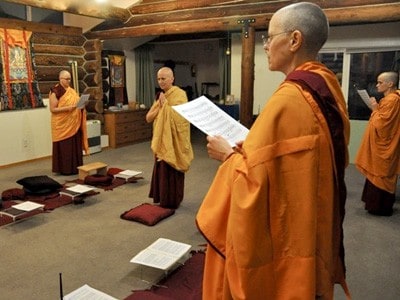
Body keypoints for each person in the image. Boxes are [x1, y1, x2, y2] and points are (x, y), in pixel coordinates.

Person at [196, 2, 351, 299]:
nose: (266, 45)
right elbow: (288, 156)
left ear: (294, 40)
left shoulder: (289, 98)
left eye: (270, 37)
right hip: (314, 211)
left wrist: (228, 154)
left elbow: (253, 179)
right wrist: (253, 146)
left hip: (290, 228)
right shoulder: (327, 84)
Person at [146, 67, 194, 209]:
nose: (161, 82)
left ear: (172, 79)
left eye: (164, 78)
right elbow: (148, 118)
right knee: (162, 170)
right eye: (159, 79)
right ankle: (162, 197)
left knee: (172, 169)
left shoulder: (180, 94)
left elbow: (181, 118)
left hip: (174, 140)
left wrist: (165, 106)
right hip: (162, 139)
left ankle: (173, 200)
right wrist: (161, 105)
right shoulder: (161, 96)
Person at [355, 71, 400, 216]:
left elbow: (382, 125)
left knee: (381, 172)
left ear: (390, 84)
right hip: (384, 142)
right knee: (378, 172)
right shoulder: (390, 100)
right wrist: (376, 109)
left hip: (385, 145)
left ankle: (380, 207)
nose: (377, 85)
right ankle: (375, 204)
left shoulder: (392, 100)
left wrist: (374, 109)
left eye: (380, 82)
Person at [49, 70, 89, 175]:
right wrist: (68, 108)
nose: (68, 81)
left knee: (74, 145)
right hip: (61, 124)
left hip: (74, 123)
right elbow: (53, 109)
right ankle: (64, 169)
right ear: (60, 79)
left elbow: (77, 105)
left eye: (69, 79)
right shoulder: (55, 91)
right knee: (65, 148)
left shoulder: (72, 91)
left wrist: (82, 106)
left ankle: (76, 167)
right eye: (66, 79)